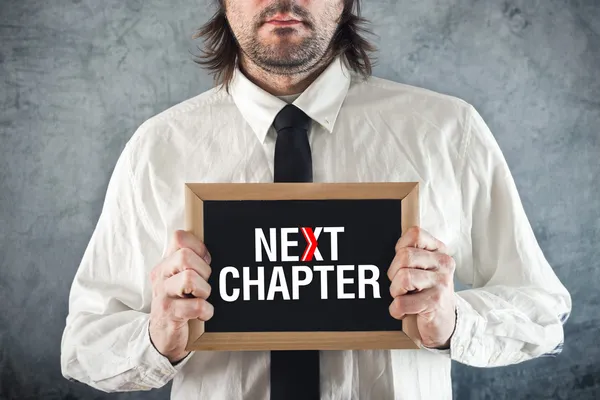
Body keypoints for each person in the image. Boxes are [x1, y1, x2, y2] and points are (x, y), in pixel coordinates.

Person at [60, 0, 572, 399]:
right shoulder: (157, 148)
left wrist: (456, 321)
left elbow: (542, 311)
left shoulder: (447, 131)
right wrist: (156, 337)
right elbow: (85, 344)